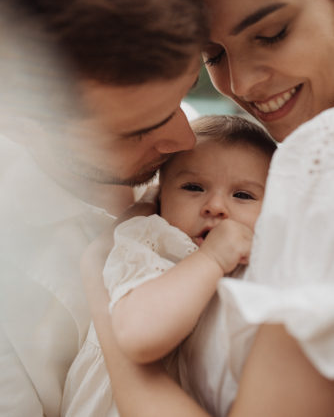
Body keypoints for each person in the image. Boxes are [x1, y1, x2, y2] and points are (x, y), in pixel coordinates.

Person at [84, 0, 334, 416]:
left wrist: (100, 290)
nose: (242, 83)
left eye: (271, 33)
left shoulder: (315, 164)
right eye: (213, 55)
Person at [0, 0, 209, 415]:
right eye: (138, 130)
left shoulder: (208, 149)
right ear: (19, 120)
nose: (184, 138)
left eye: (183, 97)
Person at [62, 115, 276, 417]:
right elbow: (139, 335)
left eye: (242, 195)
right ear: (160, 196)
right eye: (193, 187)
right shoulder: (150, 240)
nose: (215, 206)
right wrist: (211, 258)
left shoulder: (259, 256)